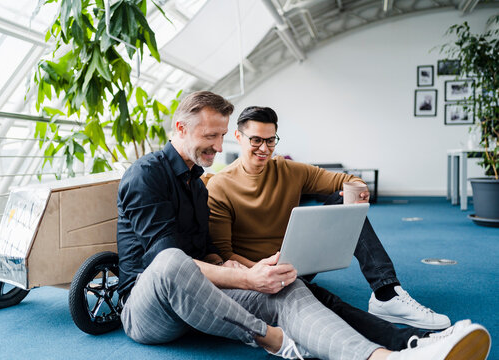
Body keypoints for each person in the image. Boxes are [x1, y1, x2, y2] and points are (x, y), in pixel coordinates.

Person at [116, 91, 490, 360]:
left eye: (220, 136)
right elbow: (166, 262)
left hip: (201, 297)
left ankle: (390, 354)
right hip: (148, 310)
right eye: (210, 136)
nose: (217, 145)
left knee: (289, 287)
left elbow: (207, 252)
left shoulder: (197, 183)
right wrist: (246, 277)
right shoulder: (147, 176)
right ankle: (273, 339)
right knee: (170, 262)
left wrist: (243, 268)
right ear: (180, 127)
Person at [205, 106, 456, 348]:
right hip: (259, 275)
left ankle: (386, 291)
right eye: (256, 140)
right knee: (327, 304)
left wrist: (357, 192)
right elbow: (225, 256)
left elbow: (347, 180)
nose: (264, 148)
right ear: (238, 137)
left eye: (271, 141)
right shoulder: (220, 186)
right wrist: (263, 273)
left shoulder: (288, 170)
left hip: (294, 261)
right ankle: (410, 341)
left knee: (343, 199)